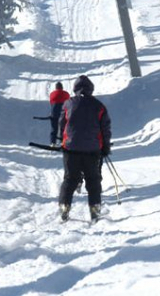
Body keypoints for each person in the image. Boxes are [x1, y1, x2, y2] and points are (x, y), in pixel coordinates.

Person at [58, 75, 111, 222]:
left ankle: (64, 207)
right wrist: (105, 147)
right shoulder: (99, 106)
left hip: (70, 149)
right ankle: (94, 210)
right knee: (93, 180)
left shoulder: (68, 104)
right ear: (91, 90)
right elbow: (105, 129)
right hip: (92, 150)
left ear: (75, 89)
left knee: (70, 179)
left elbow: (62, 124)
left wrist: (62, 141)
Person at [49, 82, 70, 146]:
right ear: (62, 87)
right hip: (63, 114)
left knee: (54, 128)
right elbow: (68, 102)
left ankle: (53, 142)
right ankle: (62, 141)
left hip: (54, 113)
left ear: (56, 88)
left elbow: (51, 102)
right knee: (63, 128)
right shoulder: (66, 94)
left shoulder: (52, 94)